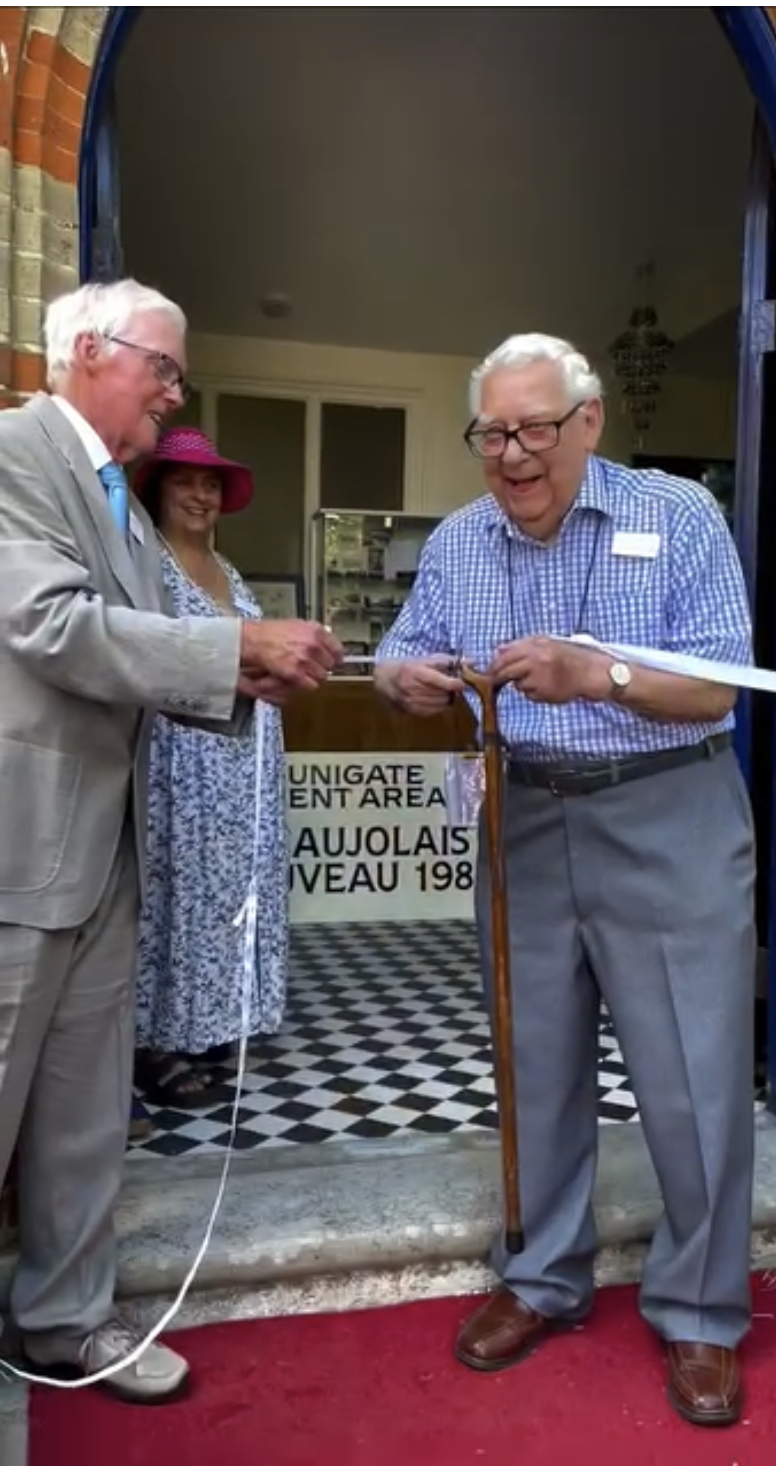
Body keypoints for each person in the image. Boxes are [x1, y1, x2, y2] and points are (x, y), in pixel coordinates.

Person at [375, 332, 756, 1429]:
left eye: (536, 427)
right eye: (492, 432)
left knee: (691, 1068)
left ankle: (700, 1310)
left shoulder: (679, 515)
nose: (513, 454)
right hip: (524, 813)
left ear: (589, 420)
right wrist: (408, 674)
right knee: (533, 1058)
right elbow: (410, 644)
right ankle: (544, 1273)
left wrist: (602, 671)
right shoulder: (458, 540)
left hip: (667, 806)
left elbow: (720, 687)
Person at [0, 277, 343, 1403]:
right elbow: (55, 627)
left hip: (109, 855)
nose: (173, 390)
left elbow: (171, 639)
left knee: (85, 1115)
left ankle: (66, 1320)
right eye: (165, 366)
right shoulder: (15, 456)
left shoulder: (115, 498)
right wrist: (240, 645)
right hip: (23, 850)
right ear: (91, 350)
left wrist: (258, 667)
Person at [133, 427, 289, 1105]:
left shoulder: (228, 572)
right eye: (184, 482)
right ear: (158, 491)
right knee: (178, 889)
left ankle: (214, 1019)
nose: (199, 495)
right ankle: (157, 1041)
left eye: (210, 485)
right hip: (184, 757)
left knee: (233, 890)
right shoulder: (148, 567)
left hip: (245, 760)